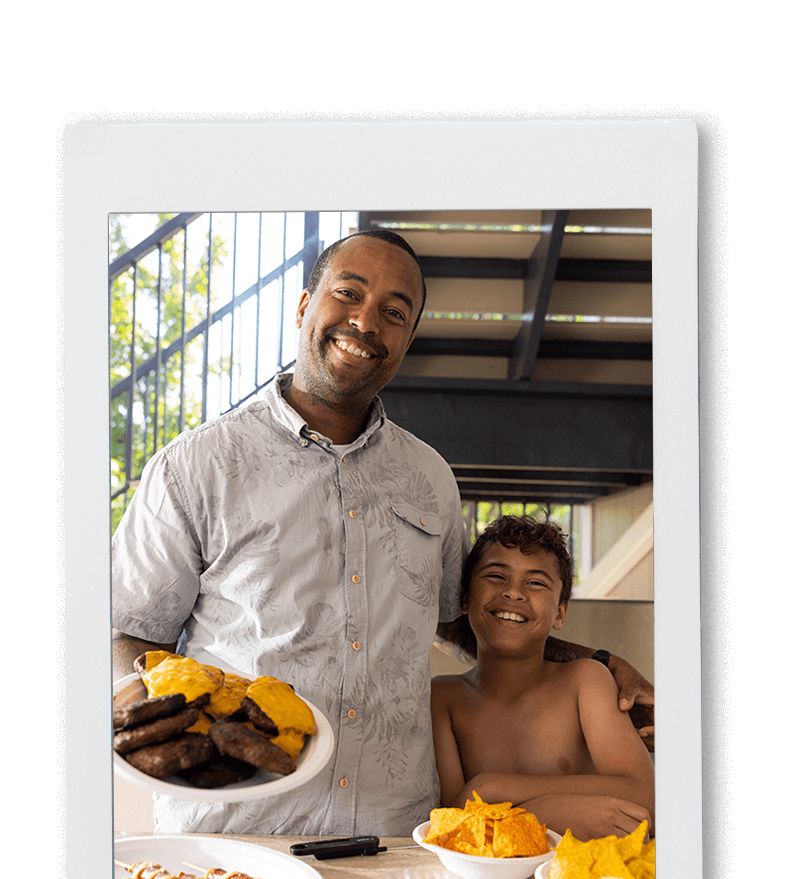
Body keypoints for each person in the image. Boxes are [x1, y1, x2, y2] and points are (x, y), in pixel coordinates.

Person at [112, 228, 654, 838]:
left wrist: (602, 664)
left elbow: (460, 623)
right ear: (304, 305)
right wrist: (154, 722)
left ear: (407, 338)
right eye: (348, 293)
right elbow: (125, 629)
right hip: (235, 827)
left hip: (391, 830)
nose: (366, 322)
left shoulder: (431, 479)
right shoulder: (197, 466)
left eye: (394, 312)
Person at [430, 514, 655, 841]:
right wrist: (550, 814)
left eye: (535, 583)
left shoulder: (586, 681)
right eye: (496, 576)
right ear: (464, 599)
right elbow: (453, 824)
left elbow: (644, 796)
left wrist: (491, 788)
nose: (514, 593)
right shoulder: (443, 697)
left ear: (560, 612)